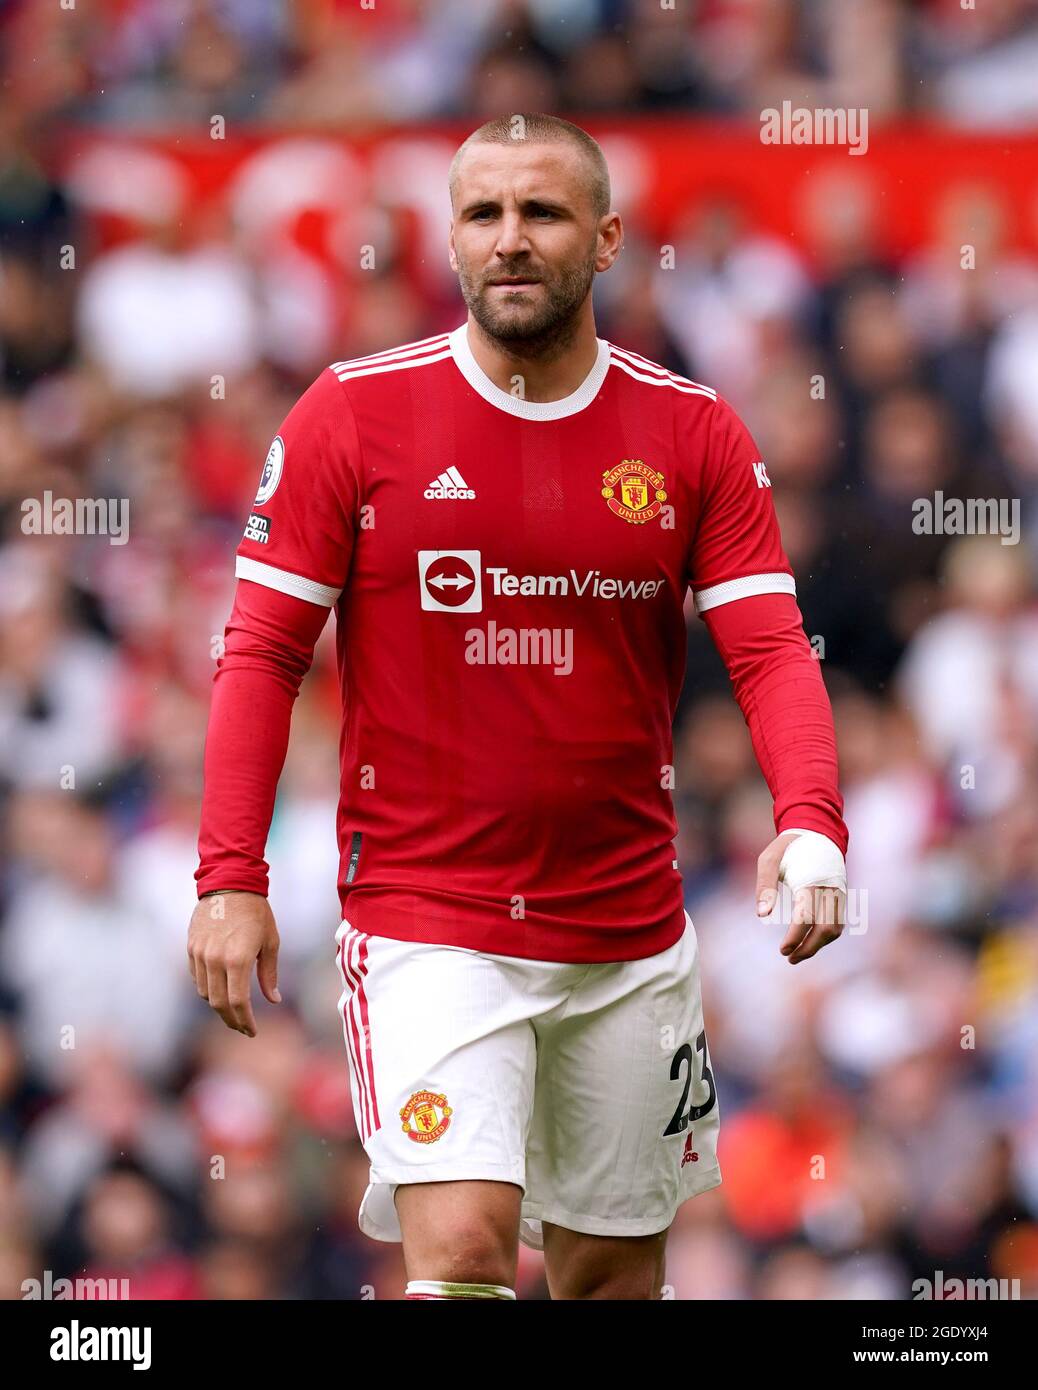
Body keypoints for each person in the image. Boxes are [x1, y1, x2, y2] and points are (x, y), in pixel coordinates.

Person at [189, 113, 848, 1301]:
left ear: (604, 239)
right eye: (483, 215)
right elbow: (261, 653)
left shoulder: (691, 431)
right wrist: (229, 875)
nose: (510, 241)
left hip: (626, 930)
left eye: (540, 214)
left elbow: (770, 652)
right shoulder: (351, 415)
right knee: (465, 1253)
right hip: (427, 917)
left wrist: (811, 817)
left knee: (607, 1279)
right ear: (449, 238)